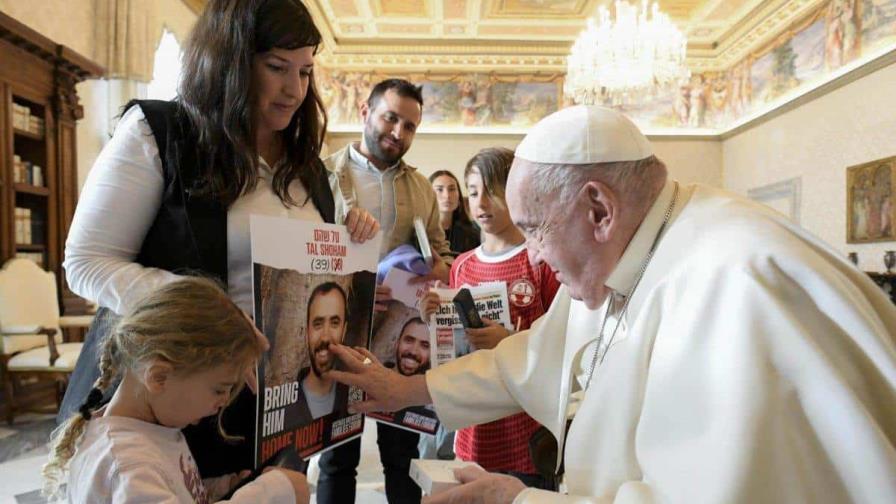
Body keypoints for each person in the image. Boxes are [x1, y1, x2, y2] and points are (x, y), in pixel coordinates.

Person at [327, 105, 896, 503]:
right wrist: (407, 389)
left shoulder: (738, 283)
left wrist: (518, 502)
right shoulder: (630, 252)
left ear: (598, 209)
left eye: (537, 232)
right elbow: (530, 359)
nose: (540, 259)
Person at [60, 0, 378, 478]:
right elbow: (85, 262)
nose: (294, 90)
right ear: (230, 63)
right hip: (168, 400)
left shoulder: (306, 166)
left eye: (306, 72)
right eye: (276, 68)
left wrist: (349, 241)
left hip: (268, 417)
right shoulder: (160, 133)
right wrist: (207, 308)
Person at [43, 277, 309, 503]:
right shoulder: (127, 465)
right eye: (219, 389)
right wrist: (270, 492)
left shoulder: (151, 431)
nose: (225, 401)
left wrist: (222, 488)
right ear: (159, 376)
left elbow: (171, 485)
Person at [320, 78, 450, 504]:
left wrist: (437, 270)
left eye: (410, 126)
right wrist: (350, 287)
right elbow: (303, 256)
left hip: (401, 346)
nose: (398, 133)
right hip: (340, 336)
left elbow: (443, 257)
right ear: (365, 111)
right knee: (337, 458)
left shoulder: (422, 189)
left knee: (402, 457)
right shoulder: (322, 176)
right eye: (391, 118)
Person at [419, 147, 560, 489]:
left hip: (527, 431)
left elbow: (562, 345)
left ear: (516, 192)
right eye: (472, 192)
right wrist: (434, 320)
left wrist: (509, 342)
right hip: (474, 429)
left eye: (493, 192)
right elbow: (452, 353)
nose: (481, 204)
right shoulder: (464, 266)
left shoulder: (541, 260)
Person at [292, 282, 350, 425]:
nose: (325, 336)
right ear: (307, 333)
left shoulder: (352, 396)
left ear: (344, 331)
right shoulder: (285, 408)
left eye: (334, 323)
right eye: (318, 324)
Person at [429, 170, 480, 260]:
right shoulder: (421, 234)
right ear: (428, 195)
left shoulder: (474, 233)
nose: (447, 195)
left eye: (452, 189)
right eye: (439, 189)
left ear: (459, 196)